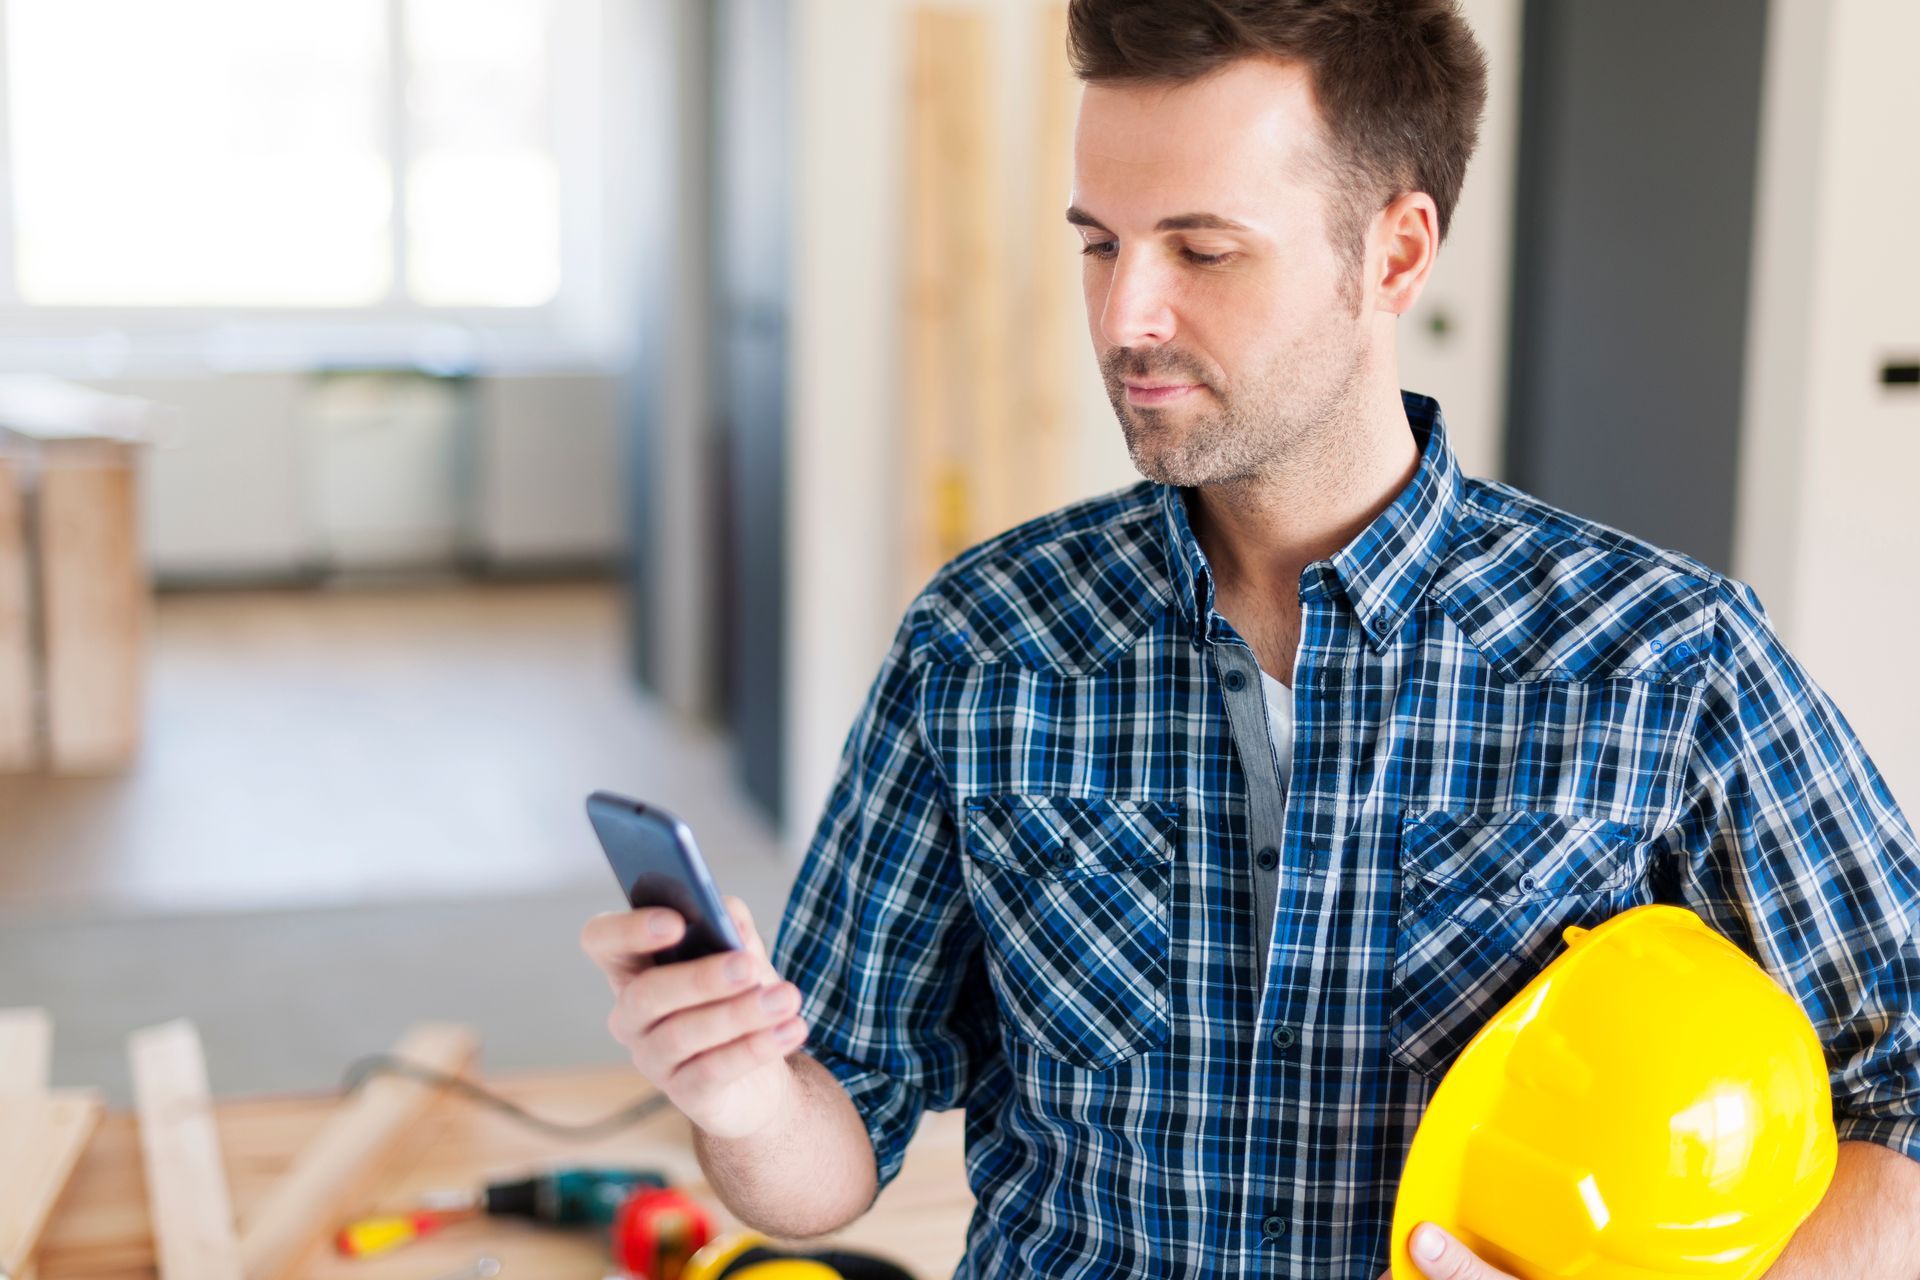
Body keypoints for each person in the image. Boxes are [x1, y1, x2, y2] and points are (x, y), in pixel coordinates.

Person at [582, 1, 1920, 1275]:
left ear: (1394, 253)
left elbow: (1906, 1085)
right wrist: (745, 1093)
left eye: (1201, 249)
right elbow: (828, 1165)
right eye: (1099, 243)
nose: (1124, 318)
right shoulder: (982, 643)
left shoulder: (1666, 660)